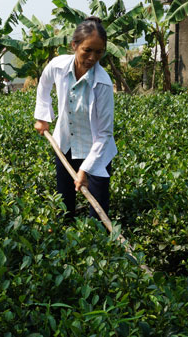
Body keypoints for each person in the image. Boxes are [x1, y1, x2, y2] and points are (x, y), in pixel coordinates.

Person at [34, 16, 117, 220]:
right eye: (87, 50)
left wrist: (85, 170)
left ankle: (99, 247)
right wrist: (43, 117)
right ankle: (65, 246)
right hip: (66, 143)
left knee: (97, 210)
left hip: (96, 151)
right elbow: (44, 85)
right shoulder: (58, 66)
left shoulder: (103, 84)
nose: (92, 57)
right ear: (74, 45)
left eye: (99, 52)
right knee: (64, 206)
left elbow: (105, 134)